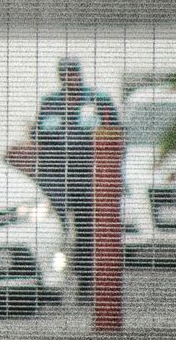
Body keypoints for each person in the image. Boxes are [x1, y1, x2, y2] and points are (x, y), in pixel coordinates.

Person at [31, 57, 120, 301]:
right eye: (65, 73)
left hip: (86, 176)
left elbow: (116, 139)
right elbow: (38, 138)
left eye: (73, 73)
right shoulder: (50, 103)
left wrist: (111, 175)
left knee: (87, 232)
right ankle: (52, 285)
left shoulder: (98, 101)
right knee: (55, 230)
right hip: (54, 177)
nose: (70, 77)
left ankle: (86, 283)